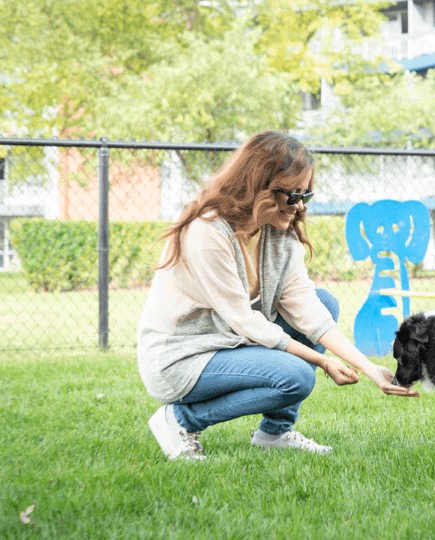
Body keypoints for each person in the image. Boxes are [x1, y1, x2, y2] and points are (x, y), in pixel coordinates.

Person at [137, 130, 419, 461]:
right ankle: (180, 420)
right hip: (181, 360)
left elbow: (310, 311)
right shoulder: (208, 232)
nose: (299, 206)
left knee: (324, 301)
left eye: (306, 195)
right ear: (258, 186)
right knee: (296, 376)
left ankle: (274, 433)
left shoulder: (276, 232)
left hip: (229, 347)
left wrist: (370, 368)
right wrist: (323, 361)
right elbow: (246, 322)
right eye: (291, 195)